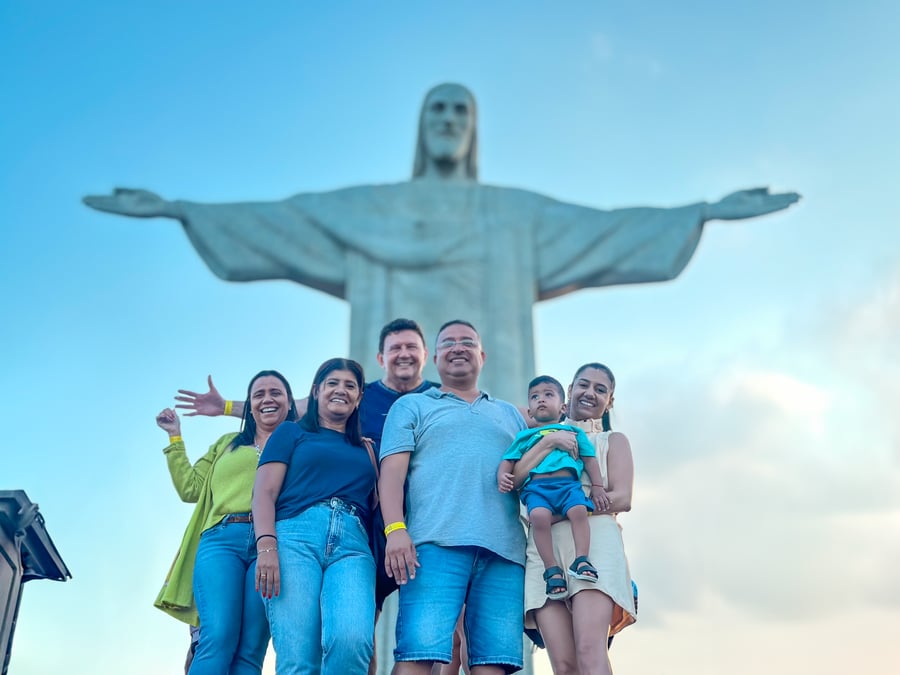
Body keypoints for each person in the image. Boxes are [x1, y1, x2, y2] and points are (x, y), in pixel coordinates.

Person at [83, 82, 801, 403]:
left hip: (492, 406)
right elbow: (287, 220)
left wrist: (703, 212)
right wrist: (180, 210)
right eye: (438, 109)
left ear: (473, 127)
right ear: (423, 125)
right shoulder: (373, 208)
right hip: (393, 413)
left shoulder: (512, 213)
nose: (449, 120)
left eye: (461, 110)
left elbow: (605, 228)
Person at [379, 320, 527, 675]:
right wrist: (395, 529)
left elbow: (534, 478)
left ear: (482, 355)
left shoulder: (510, 414)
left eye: (467, 342)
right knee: (417, 655)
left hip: (504, 553)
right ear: (435, 358)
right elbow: (391, 475)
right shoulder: (412, 406)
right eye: (448, 342)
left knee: (494, 664)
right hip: (433, 546)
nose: (458, 347)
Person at [154, 370, 299, 675]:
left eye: (276, 392)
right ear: (250, 406)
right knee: (218, 636)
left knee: (251, 650)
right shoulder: (227, 444)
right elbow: (190, 488)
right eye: (258, 394)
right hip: (221, 541)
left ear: (290, 403)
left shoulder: (301, 445)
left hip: (272, 547)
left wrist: (226, 406)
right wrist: (175, 437)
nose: (267, 399)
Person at [252, 358, 377, 674]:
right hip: (295, 539)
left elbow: (380, 503)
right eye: (332, 383)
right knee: (299, 657)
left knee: (352, 642)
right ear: (316, 391)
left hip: (353, 545)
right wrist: (266, 547)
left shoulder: (367, 449)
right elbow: (264, 493)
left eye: (350, 386)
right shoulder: (291, 432)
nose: (341, 390)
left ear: (359, 397)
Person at [512, 363, 635, 675]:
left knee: (590, 652)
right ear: (569, 390)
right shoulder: (536, 436)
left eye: (600, 389)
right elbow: (515, 479)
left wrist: (565, 511)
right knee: (564, 664)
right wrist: (549, 442)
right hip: (545, 552)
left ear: (610, 401)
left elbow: (622, 498)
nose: (590, 392)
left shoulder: (612, 440)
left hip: (594, 544)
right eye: (583, 384)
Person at [497, 375, 609, 600]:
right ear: (529, 411)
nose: (541, 399)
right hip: (537, 489)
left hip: (568, 485)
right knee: (538, 517)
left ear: (563, 408)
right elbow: (508, 460)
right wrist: (502, 475)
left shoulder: (574, 433)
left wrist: (597, 486)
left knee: (578, 511)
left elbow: (589, 460)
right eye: (534, 397)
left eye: (548, 395)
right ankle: (551, 569)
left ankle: (582, 559)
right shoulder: (524, 437)